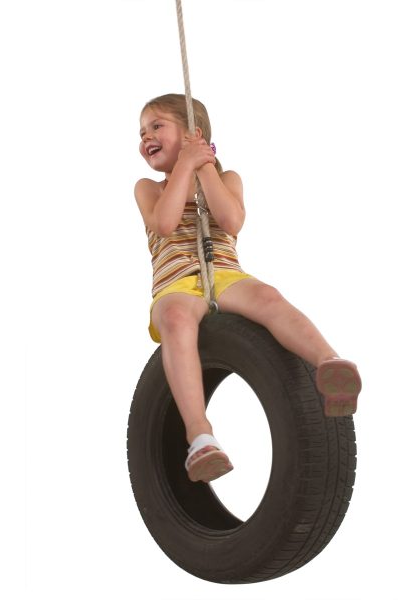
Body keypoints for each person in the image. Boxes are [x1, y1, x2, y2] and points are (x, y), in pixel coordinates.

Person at [135, 93, 361, 484]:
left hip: (225, 276)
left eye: (156, 126)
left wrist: (203, 165)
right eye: (141, 132)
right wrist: (184, 165)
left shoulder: (227, 180)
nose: (145, 137)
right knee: (174, 319)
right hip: (176, 285)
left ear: (193, 134)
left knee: (269, 298)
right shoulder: (147, 188)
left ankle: (329, 365)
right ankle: (200, 435)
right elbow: (166, 223)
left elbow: (231, 220)